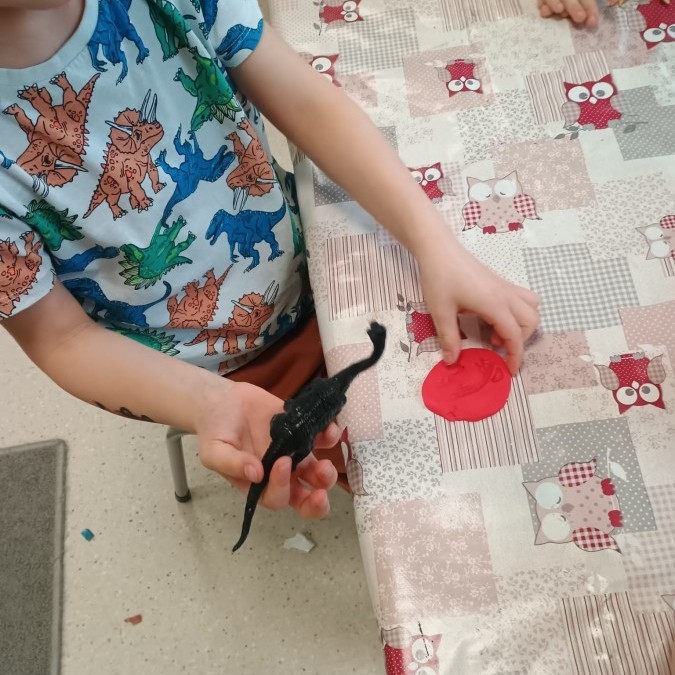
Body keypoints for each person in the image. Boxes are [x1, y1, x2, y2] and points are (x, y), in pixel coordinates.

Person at [0, 0, 539, 521]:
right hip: (220, 370)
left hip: (313, 260)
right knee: (416, 460)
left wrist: (435, 245)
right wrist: (205, 402)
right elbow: (61, 339)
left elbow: (308, 105)